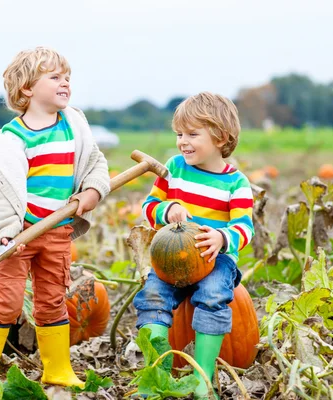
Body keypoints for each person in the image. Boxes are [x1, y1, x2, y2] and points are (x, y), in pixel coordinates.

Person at [0, 47, 110, 391]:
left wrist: (92, 192)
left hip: (57, 231)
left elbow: (95, 164)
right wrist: (7, 232)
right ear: (27, 89)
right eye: (55, 77)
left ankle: (57, 368)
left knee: (52, 301)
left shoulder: (74, 126)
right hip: (19, 233)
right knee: (6, 302)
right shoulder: (12, 139)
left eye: (67, 77)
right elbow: (4, 192)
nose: (65, 83)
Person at [133, 92, 254, 399]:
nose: (182, 141)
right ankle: (156, 376)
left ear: (220, 137)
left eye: (192, 134)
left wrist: (223, 237)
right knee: (151, 297)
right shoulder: (175, 168)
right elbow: (149, 206)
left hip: (214, 259)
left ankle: (203, 378)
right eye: (179, 134)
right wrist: (166, 209)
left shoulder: (235, 183)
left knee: (214, 296)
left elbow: (244, 228)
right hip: (171, 256)